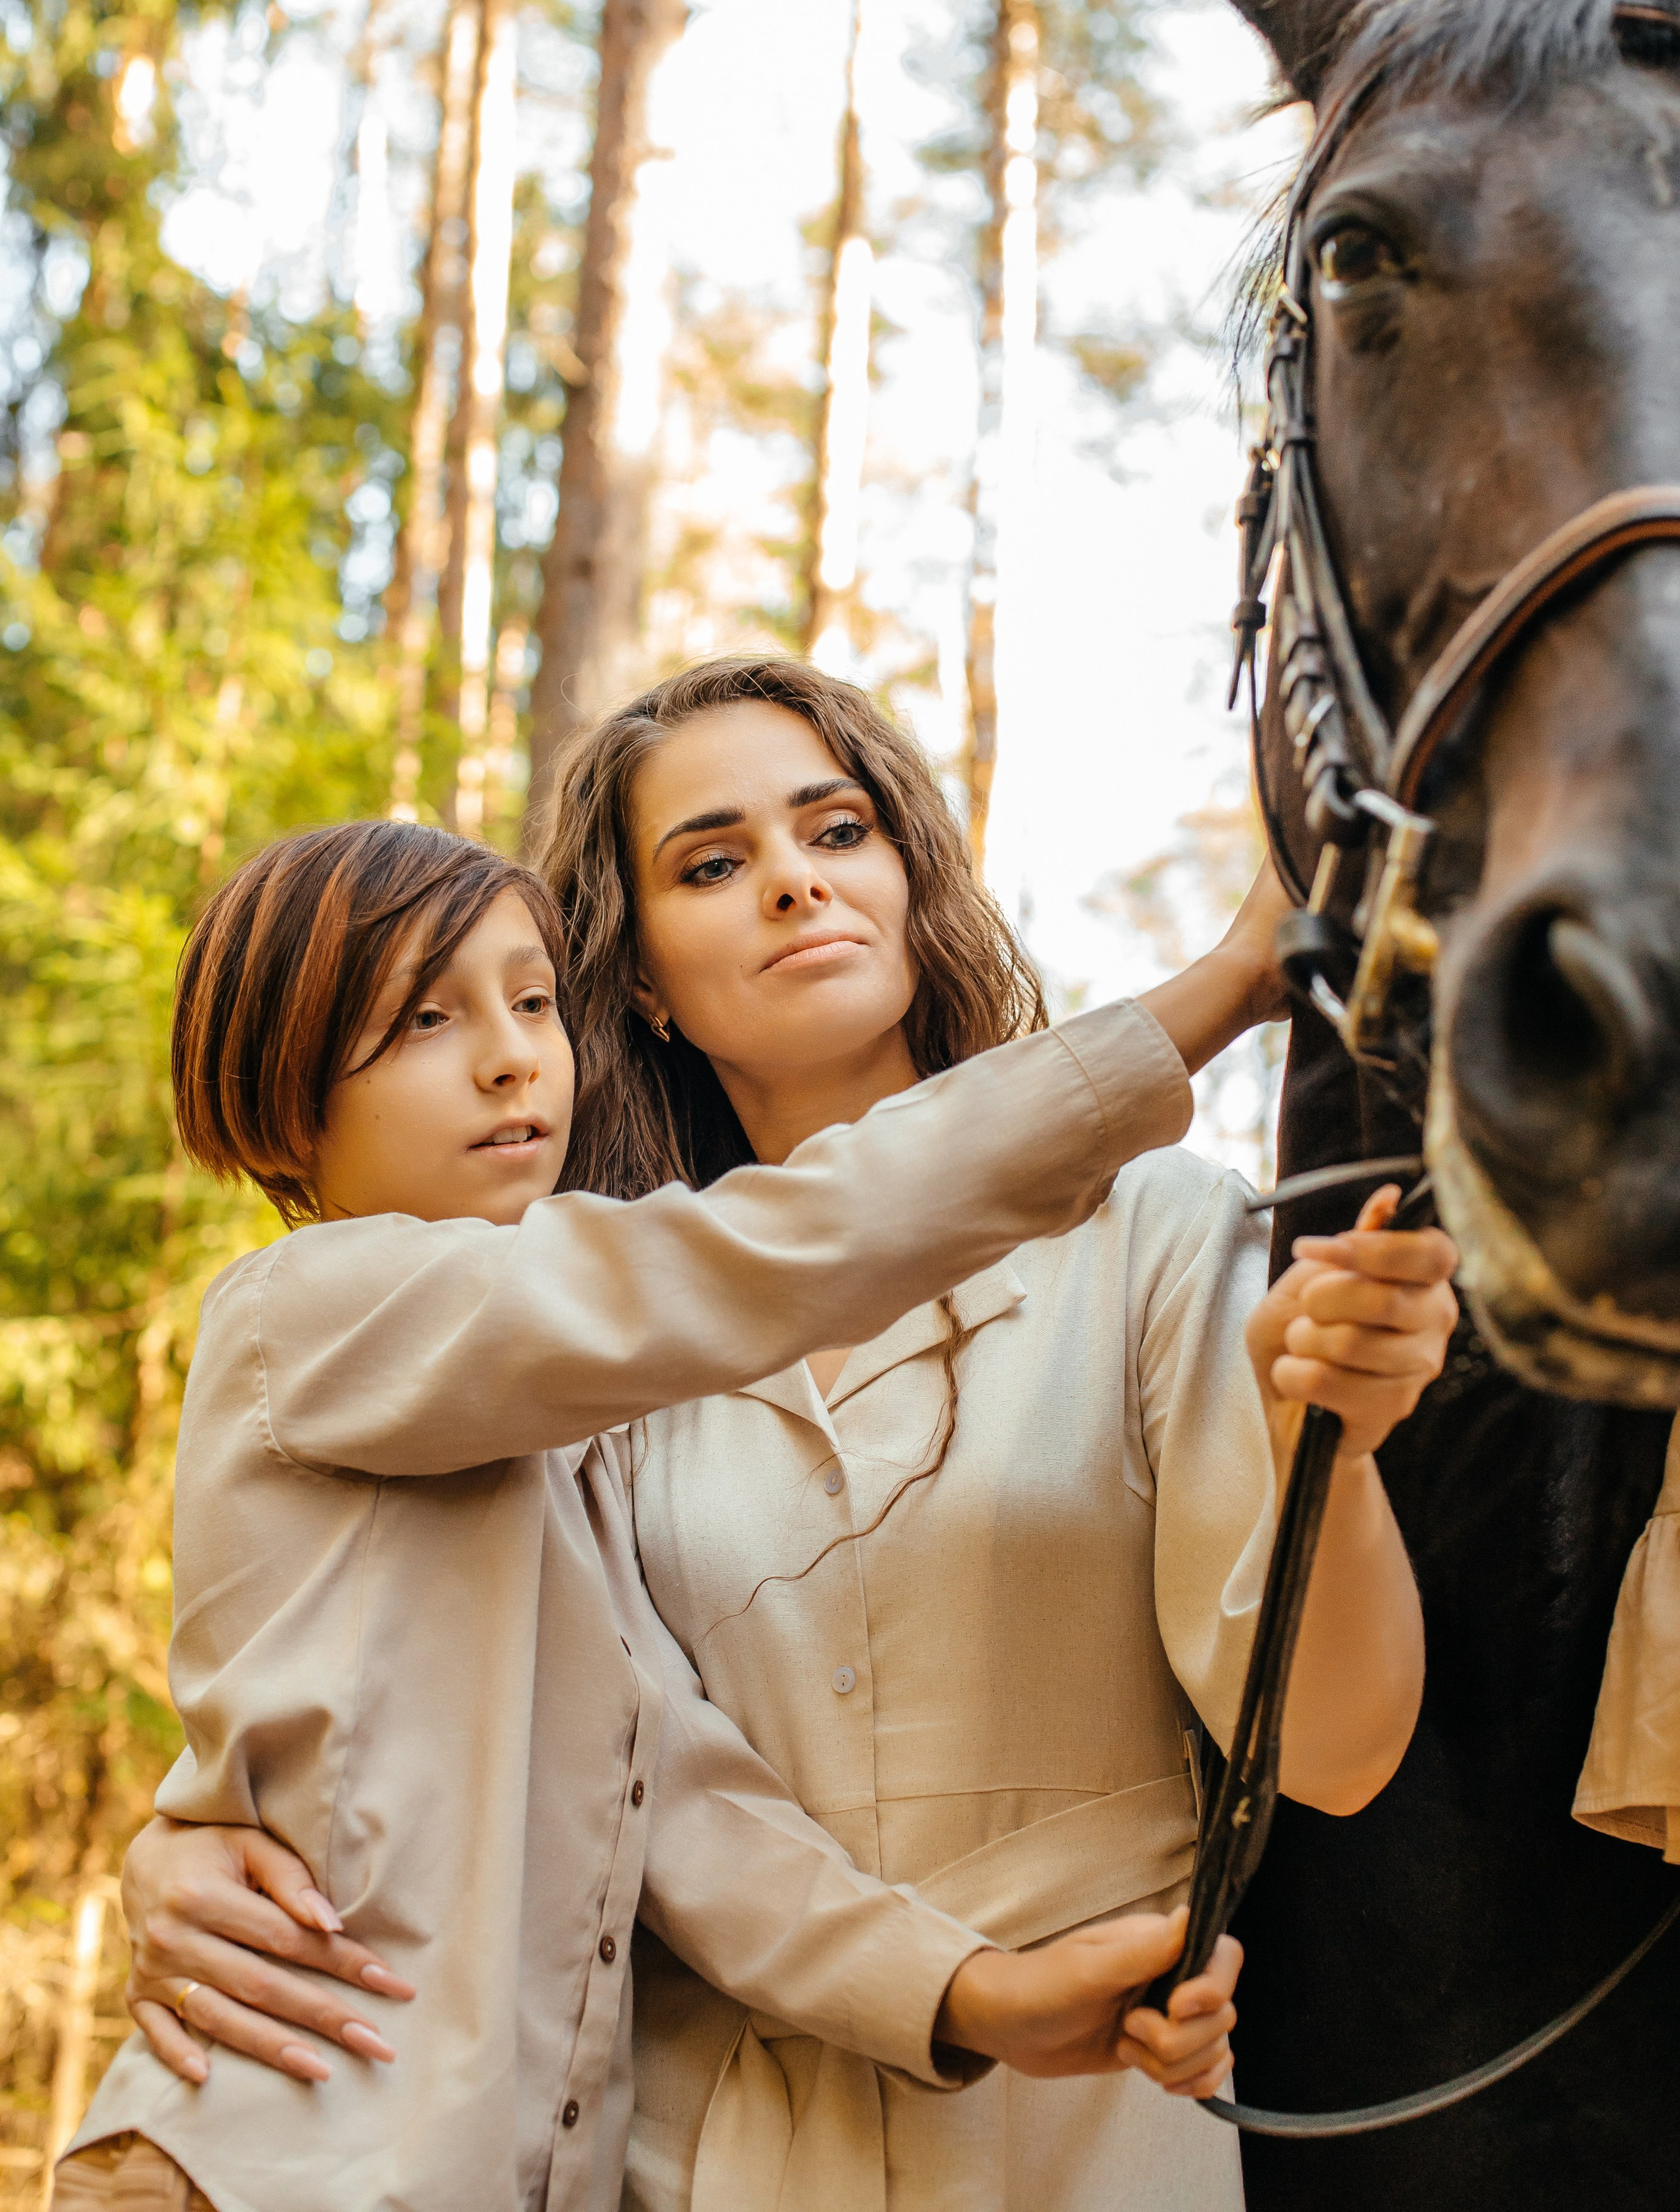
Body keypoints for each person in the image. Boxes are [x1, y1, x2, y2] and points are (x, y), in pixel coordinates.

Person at [114, 663, 1461, 2212]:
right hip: (678, 2165)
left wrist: (1330, 1449)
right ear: (645, 984)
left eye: (838, 828)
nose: (792, 882)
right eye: (709, 862)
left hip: (1077, 2147)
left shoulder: (1147, 1230)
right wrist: (184, 1831)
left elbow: (1339, 1755)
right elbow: (623, 1777)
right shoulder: (567, 1354)